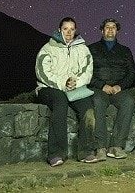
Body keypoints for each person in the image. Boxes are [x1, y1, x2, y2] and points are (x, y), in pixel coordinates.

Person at [35, 17, 97, 166]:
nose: (68, 32)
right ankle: (55, 154)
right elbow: (42, 72)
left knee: (88, 107)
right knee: (60, 102)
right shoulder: (48, 48)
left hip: (75, 88)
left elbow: (88, 70)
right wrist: (63, 83)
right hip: (49, 88)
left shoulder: (83, 49)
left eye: (71, 29)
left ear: (75, 31)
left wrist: (76, 82)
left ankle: (85, 151)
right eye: (65, 29)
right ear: (59, 30)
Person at [88, 18, 135, 161]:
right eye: (107, 27)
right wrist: (101, 85)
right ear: (102, 30)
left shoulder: (125, 51)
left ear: (117, 31)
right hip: (99, 88)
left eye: (113, 27)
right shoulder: (92, 49)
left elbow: (131, 72)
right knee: (97, 101)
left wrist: (119, 86)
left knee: (128, 101)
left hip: (118, 89)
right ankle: (100, 147)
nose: (110, 30)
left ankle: (116, 145)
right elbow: (86, 72)